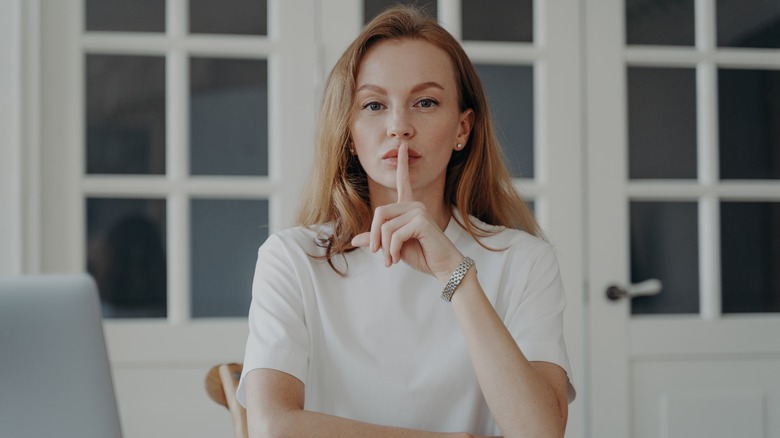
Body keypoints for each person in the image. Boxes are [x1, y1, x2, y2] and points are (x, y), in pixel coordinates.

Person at [237, 6, 575, 437]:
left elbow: (540, 433)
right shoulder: (291, 259)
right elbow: (273, 428)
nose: (399, 126)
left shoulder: (525, 261)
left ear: (463, 129)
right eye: (374, 105)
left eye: (426, 102)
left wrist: (457, 275)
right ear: (349, 134)